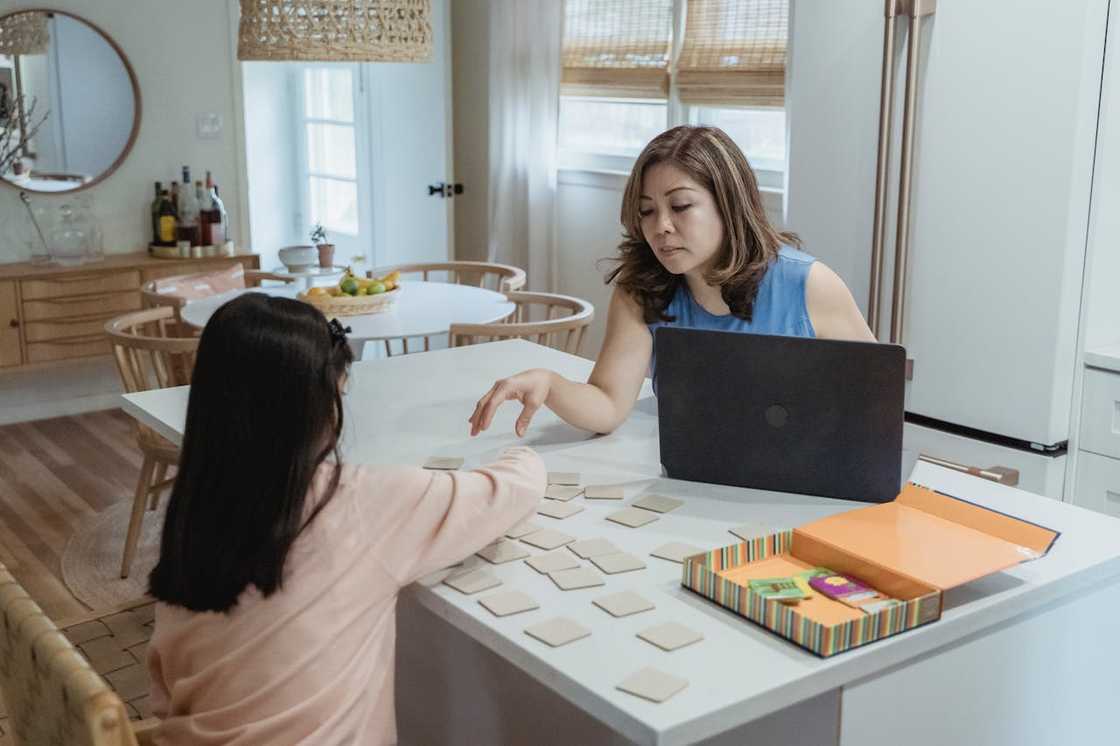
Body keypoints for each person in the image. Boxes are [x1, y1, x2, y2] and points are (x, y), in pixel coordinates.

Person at [146, 293, 545, 745]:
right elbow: (514, 489)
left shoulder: (191, 518)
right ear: (325, 399)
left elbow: (163, 695)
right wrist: (522, 452)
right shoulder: (359, 501)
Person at [469, 125, 875, 438]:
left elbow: (874, 400)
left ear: (728, 204)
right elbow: (608, 405)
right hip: (692, 471)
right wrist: (551, 384)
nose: (661, 227)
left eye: (680, 206)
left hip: (804, 475)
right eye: (647, 211)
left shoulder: (809, 285)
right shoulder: (641, 289)